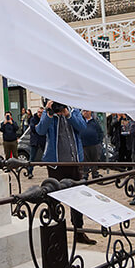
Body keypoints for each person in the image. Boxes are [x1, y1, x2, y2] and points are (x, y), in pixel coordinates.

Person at [36, 100, 96, 245]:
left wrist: (68, 114)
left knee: (77, 199)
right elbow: (40, 130)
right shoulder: (48, 112)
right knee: (55, 199)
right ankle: (55, 234)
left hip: (73, 162)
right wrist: (49, 112)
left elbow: (82, 127)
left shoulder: (73, 110)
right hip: (56, 164)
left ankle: (79, 232)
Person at [80, 110, 103, 179]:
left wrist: (99, 142)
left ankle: (95, 173)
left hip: (94, 144)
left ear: (90, 112)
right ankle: (85, 174)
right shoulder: (80, 121)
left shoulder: (94, 122)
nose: (85, 112)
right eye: (83, 111)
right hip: (83, 144)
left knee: (94, 159)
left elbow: (100, 132)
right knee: (85, 160)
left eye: (87, 111)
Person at [27, 107, 46, 179]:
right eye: (38, 112)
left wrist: (37, 127)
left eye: (41, 112)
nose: (39, 114)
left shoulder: (44, 118)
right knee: (32, 158)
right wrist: (39, 127)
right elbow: (32, 128)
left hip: (43, 140)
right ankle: (30, 172)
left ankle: (51, 170)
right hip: (34, 141)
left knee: (47, 156)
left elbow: (44, 128)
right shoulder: (33, 119)